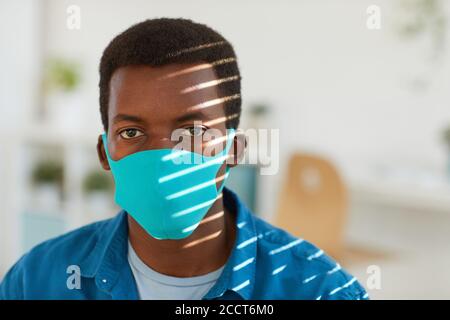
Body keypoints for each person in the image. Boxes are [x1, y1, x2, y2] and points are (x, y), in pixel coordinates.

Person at [0, 18, 368, 300]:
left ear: (234, 150)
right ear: (105, 153)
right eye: (131, 132)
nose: (163, 155)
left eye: (192, 132)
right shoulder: (35, 281)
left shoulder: (319, 289)